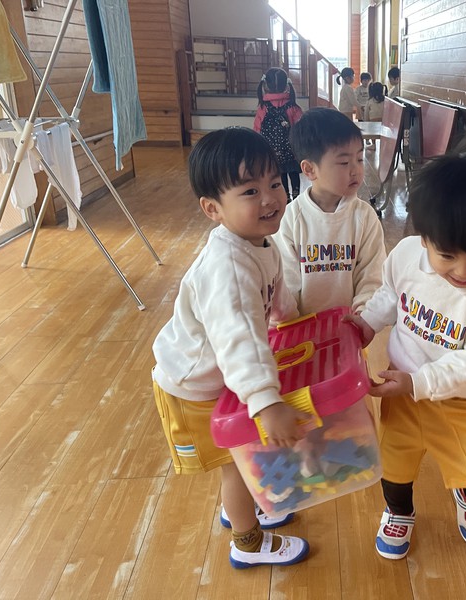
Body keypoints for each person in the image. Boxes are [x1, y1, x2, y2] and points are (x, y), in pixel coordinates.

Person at [347, 152, 466, 560]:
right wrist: (368, 323)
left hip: (463, 403)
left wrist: (419, 382)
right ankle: (399, 512)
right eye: (447, 255)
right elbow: (391, 293)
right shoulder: (407, 254)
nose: (463, 270)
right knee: (394, 467)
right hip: (402, 394)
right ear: (424, 239)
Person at [151, 127, 310, 570]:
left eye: (274, 183)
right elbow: (239, 340)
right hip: (193, 387)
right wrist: (266, 402)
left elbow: (276, 296)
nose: (270, 198)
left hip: (220, 378)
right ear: (212, 209)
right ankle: (247, 540)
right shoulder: (227, 268)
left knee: (243, 459)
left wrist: (294, 323)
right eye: (250, 191)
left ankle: (244, 509)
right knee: (240, 462)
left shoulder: (261, 242)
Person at [273, 107, 386, 315]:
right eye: (344, 162)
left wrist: (363, 315)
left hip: (349, 325)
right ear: (309, 169)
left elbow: (371, 277)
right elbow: (287, 285)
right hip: (301, 326)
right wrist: (291, 322)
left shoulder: (365, 217)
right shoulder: (290, 219)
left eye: (359, 159)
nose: (356, 170)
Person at [253, 67, 304, 202]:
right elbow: (301, 129)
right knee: (294, 173)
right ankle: (296, 196)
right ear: (287, 86)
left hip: (272, 152)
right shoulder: (293, 107)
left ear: (265, 86)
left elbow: (257, 130)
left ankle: (285, 197)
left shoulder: (263, 108)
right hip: (292, 151)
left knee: (281, 174)